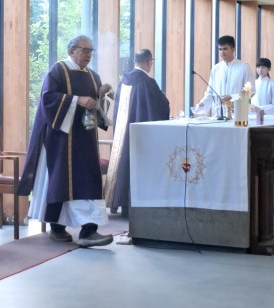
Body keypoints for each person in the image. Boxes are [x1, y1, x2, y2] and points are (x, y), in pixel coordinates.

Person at [18, 35, 114, 247]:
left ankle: (89, 231)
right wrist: (77, 100)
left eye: (91, 51)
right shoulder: (58, 71)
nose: (88, 55)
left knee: (88, 181)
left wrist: (100, 95)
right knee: (62, 181)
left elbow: (95, 108)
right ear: (71, 51)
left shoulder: (93, 76)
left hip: (85, 140)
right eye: (84, 50)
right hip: (62, 139)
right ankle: (59, 227)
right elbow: (48, 99)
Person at [104, 49, 170, 214]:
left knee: (124, 162)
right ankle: (137, 205)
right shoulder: (148, 83)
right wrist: (163, 98)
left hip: (123, 134)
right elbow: (161, 107)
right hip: (141, 137)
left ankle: (120, 202)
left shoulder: (123, 81)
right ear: (149, 62)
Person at [193, 35, 252, 117]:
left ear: (233, 49)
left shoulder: (244, 67)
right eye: (220, 49)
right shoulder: (216, 68)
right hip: (219, 115)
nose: (222, 52)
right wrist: (202, 104)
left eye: (225, 49)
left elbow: (250, 91)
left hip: (238, 116)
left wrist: (232, 97)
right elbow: (210, 93)